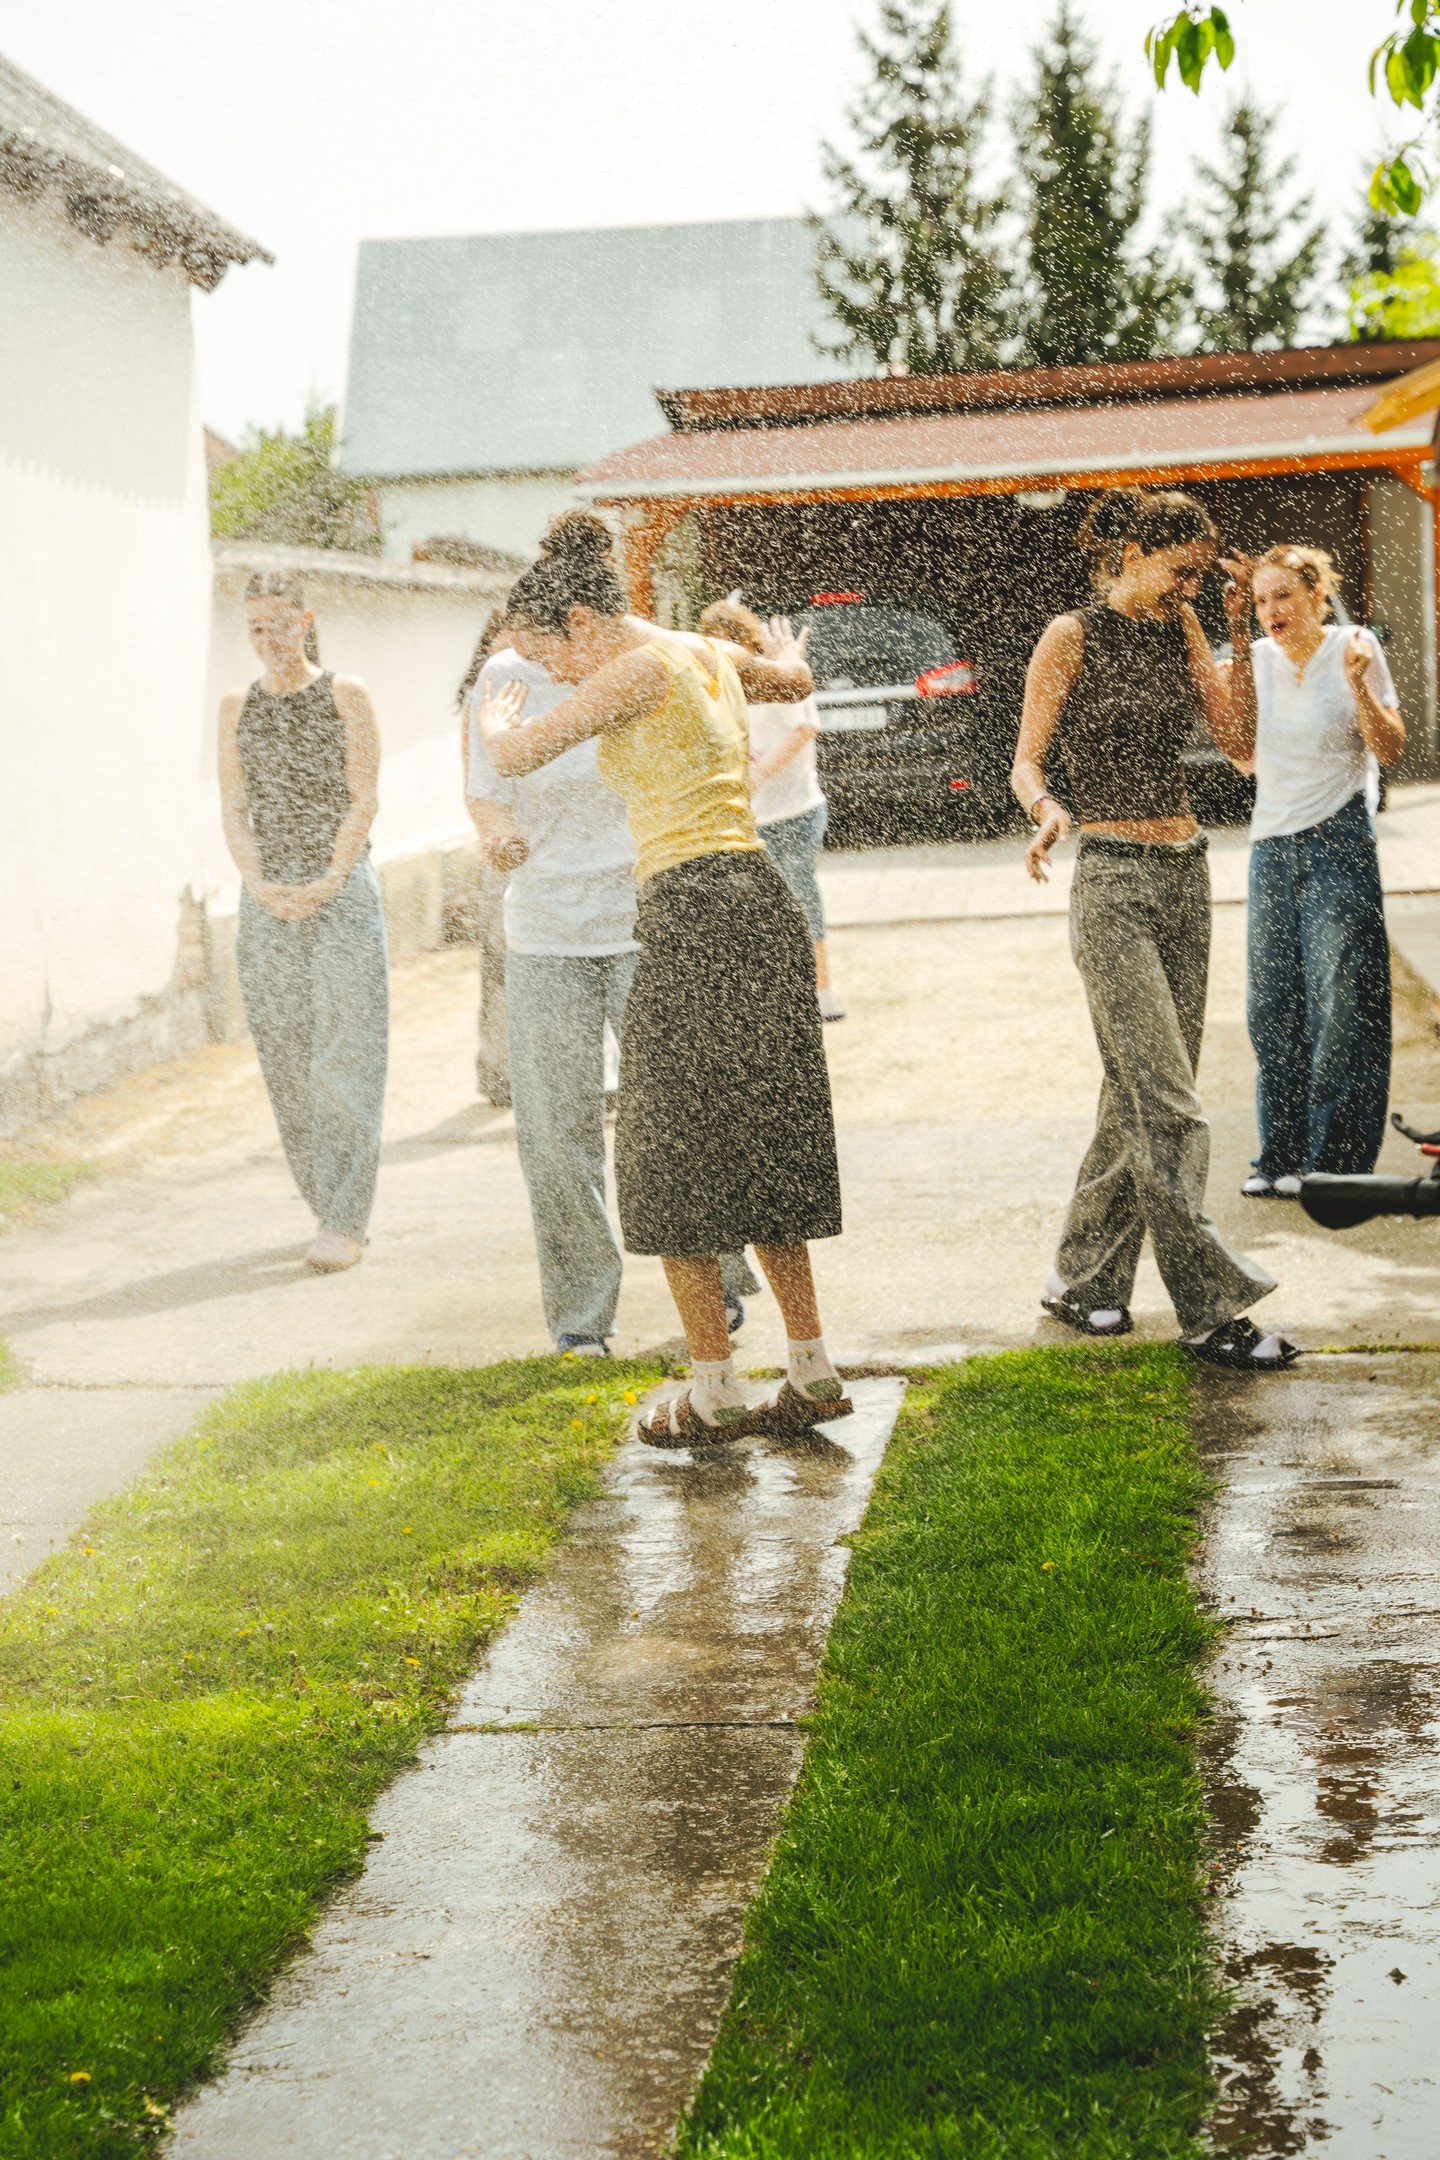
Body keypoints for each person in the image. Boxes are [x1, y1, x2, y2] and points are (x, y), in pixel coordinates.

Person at [475, 511, 848, 1441]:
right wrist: (789, 652)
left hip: (690, 908)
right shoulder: (698, 652)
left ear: (581, 622)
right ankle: (811, 1371)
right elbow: (794, 679)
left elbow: (517, 754)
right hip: (757, 897)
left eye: (546, 656)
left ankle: (715, 1390)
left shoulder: (633, 669)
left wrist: (495, 715)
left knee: (668, 1150)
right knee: (761, 1133)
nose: (548, 674)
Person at [1011, 487, 1296, 1372]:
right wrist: (1047, 809)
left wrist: (1238, 630)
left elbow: (1239, 743)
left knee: (1134, 1092)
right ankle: (1212, 1311)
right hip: (1114, 884)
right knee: (1168, 1104)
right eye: (1181, 572)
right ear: (1132, 550)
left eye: (1201, 577)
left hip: (1185, 874)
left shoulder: (1180, 630)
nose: (1189, 589)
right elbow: (1025, 758)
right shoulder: (1071, 636)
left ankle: (1083, 1284)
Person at [1220, 546, 1404, 1198]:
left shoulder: (1353, 647)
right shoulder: (1253, 661)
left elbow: (1391, 746)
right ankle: (1280, 1158)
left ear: (1316, 596)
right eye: (1262, 599)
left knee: (1342, 1004)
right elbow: (1239, 749)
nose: (1272, 611)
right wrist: (1236, 642)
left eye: (1284, 597)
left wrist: (1357, 684)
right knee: (1272, 1006)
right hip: (1272, 846)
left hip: (1339, 840)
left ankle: (1338, 1168)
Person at [218, 573, 387, 1273]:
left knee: (345, 1053)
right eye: (255, 628)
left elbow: (363, 798)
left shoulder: (346, 694)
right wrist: (259, 884)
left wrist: (326, 880)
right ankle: (324, 1203)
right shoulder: (235, 706)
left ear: (305, 620)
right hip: (266, 897)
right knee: (286, 1058)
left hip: (340, 889)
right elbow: (233, 808)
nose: (268, 640)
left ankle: (347, 1219)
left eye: (279, 625)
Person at [697, 598, 843, 1020]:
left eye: (721, 641)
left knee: (800, 900)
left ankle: (823, 993)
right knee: (758, 908)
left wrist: (759, 777)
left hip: (794, 811)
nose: (716, 651)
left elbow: (806, 728)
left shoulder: (775, 670)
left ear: (739, 637)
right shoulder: (722, 680)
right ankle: (777, 995)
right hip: (751, 816)